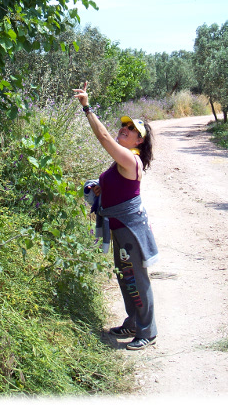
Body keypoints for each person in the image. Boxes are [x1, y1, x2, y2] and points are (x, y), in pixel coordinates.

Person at [73, 81, 158, 351]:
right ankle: (133, 323)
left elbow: (103, 138)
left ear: (139, 140)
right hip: (120, 227)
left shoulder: (131, 159)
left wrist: (87, 108)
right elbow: (117, 185)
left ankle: (147, 331)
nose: (125, 128)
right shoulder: (123, 159)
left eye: (132, 129)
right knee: (126, 277)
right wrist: (101, 189)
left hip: (130, 229)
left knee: (137, 279)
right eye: (125, 125)